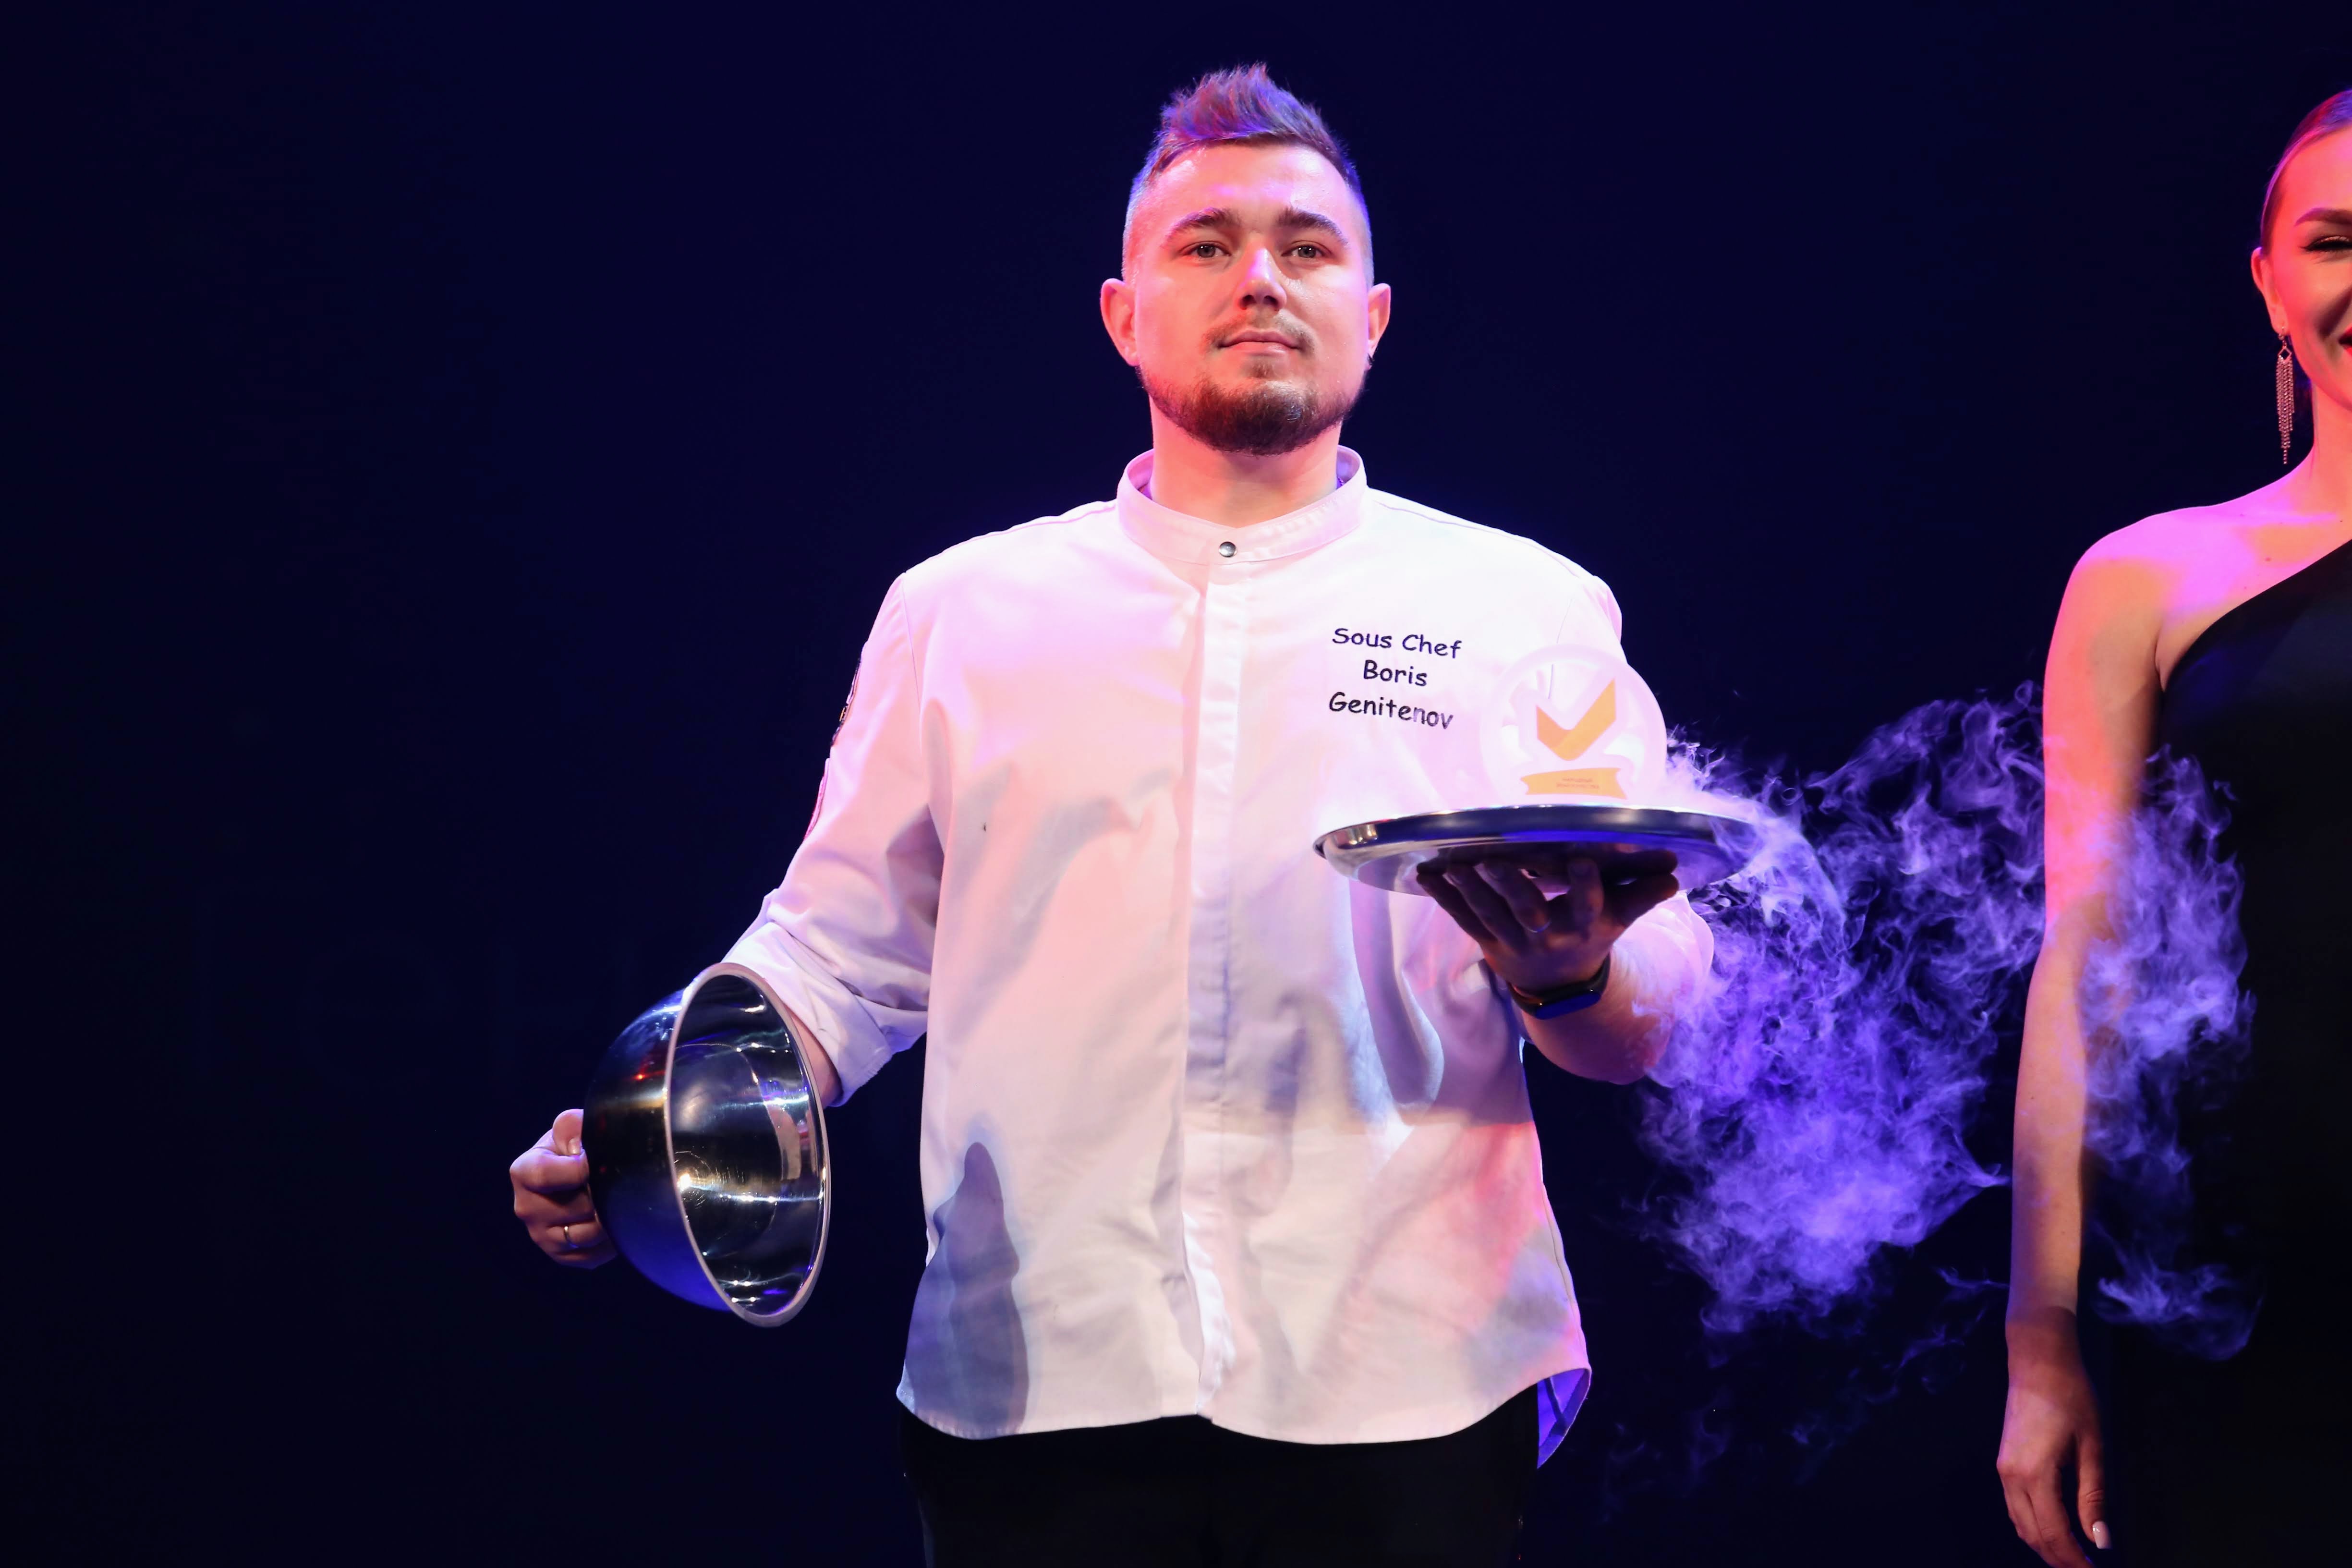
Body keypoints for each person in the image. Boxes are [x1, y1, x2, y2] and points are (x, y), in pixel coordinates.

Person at [510, 65, 1713, 1565]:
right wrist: (656, 1124)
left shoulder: (1521, 606)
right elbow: (835, 954)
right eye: (1206, 244)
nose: (1258, 278)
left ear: (1373, 316)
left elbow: (1655, 1006)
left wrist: (1570, 971)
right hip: (1040, 1371)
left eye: (1306, 247)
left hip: (1408, 1368)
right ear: (1122, 314)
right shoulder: (964, 610)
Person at [1998, 88, 2352, 1568]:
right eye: (2333, 242)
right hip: (2234, 1290)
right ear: (2268, 283)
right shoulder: (2150, 578)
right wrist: (2038, 1340)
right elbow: (2083, 961)